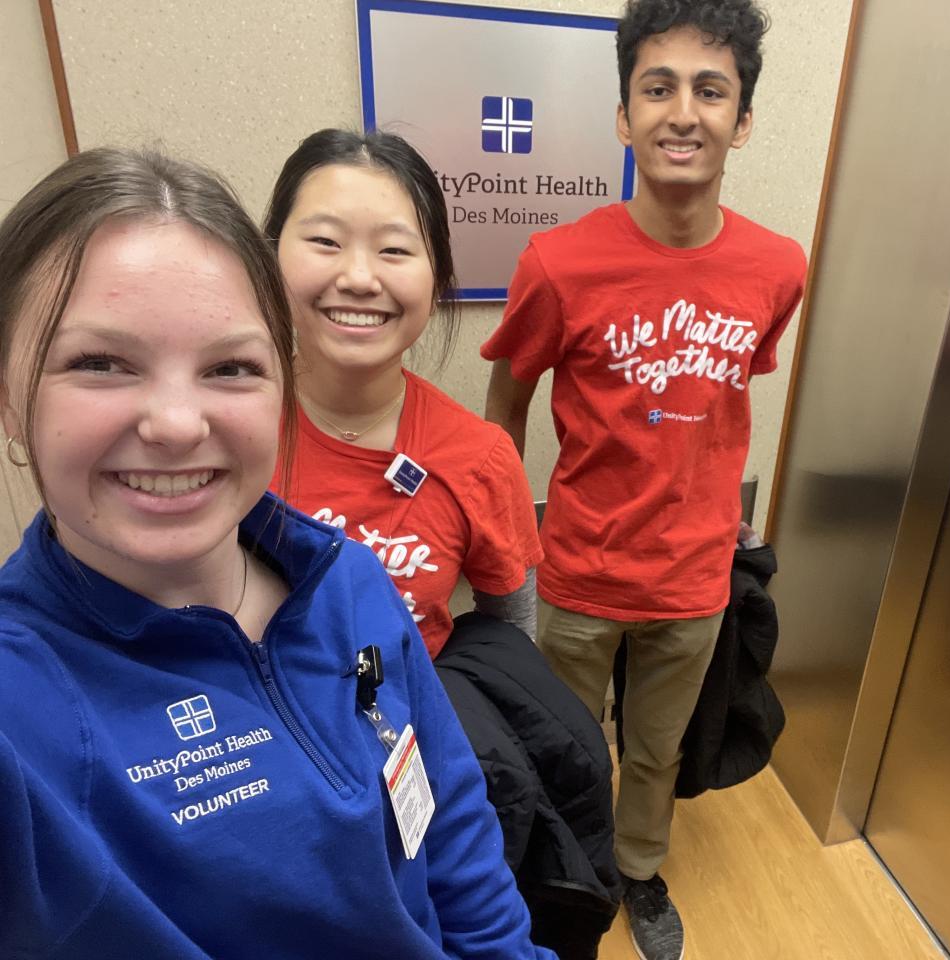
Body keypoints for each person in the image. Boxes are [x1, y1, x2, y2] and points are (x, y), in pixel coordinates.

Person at [0, 147, 555, 960]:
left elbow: (451, 831)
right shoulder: (18, 708)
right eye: (100, 364)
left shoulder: (349, 582)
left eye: (230, 367)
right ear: (9, 395)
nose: (177, 423)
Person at [482, 1, 806, 957]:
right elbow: (506, 403)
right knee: (567, 745)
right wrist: (512, 544)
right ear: (624, 117)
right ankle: (571, 875)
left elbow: (724, 394)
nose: (683, 111)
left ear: (742, 121)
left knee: (657, 749)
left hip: (695, 578)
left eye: (711, 90)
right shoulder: (559, 264)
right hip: (580, 570)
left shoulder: (777, 268)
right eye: (658, 88)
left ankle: (638, 867)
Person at [264, 129, 542, 659]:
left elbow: (511, 644)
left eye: (394, 249)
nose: (359, 278)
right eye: (325, 242)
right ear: (269, 255)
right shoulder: (219, 430)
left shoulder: (481, 459)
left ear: (437, 278)